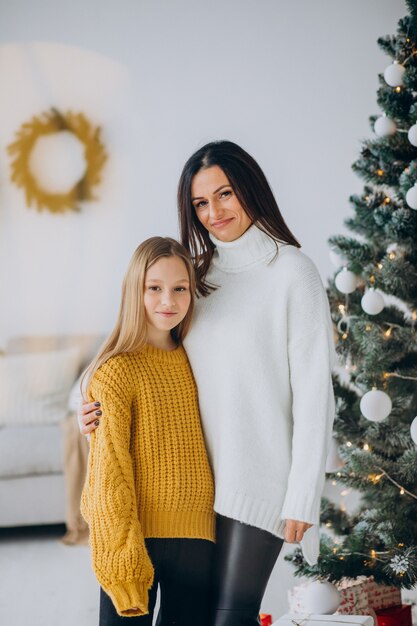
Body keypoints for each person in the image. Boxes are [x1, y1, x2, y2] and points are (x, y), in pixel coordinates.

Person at [79, 141, 336, 626]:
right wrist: (88, 401)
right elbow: (144, 347)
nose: (214, 212)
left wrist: (304, 492)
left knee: (230, 616)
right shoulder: (197, 277)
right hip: (196, 486)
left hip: (260, 481)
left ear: (250, 190)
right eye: (200, 203)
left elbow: (314, 393)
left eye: (225, 194)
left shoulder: (291, 272)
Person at [80, 237, 215, 626]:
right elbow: (109, 476)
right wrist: (124, 559)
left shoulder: (199, 357)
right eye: (153, 288)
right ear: (134, 291)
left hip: (198, 535)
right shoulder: (117, 370)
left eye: (179, 289)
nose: (167, 301)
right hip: (138, 537)